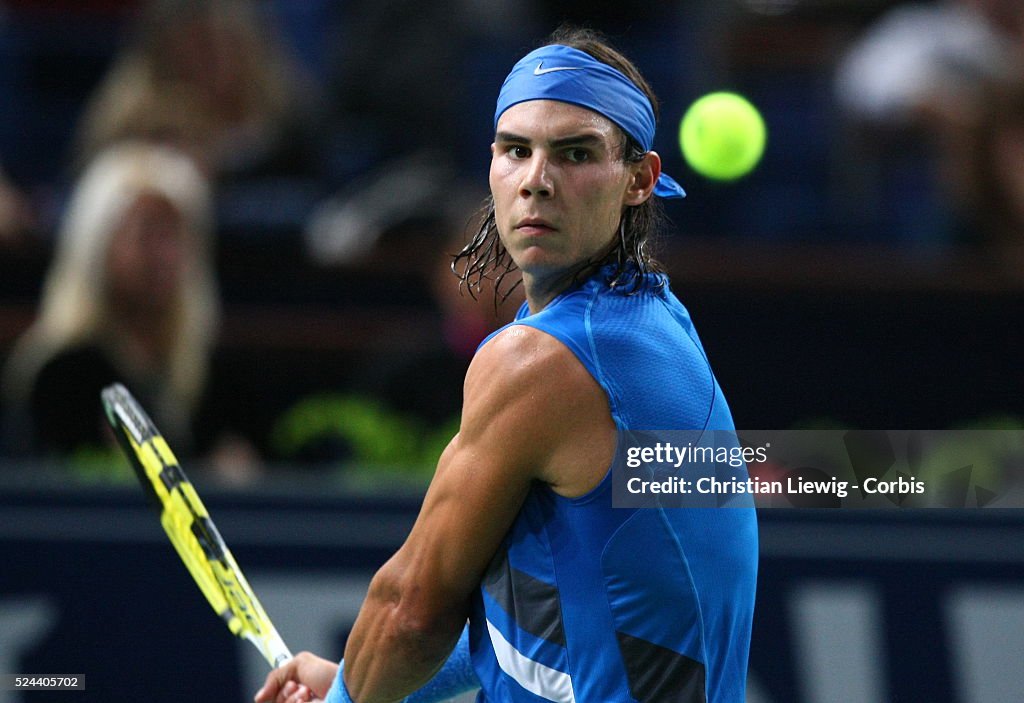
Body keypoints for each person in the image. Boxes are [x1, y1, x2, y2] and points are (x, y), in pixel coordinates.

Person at [256, 26, 758, 703]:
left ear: (640, 179)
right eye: (516, 150)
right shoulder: (655, 322)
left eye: (575, 153)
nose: (536, 181)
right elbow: (550, 622)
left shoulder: (540, 361)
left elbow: (410, 609)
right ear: (491, 162)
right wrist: (347, 681)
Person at [0, 141, 260, 480]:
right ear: (98, 245)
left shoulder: (212, 375)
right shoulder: (60, 377)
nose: (165, 256)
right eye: (146, 234)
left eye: (175, 235)